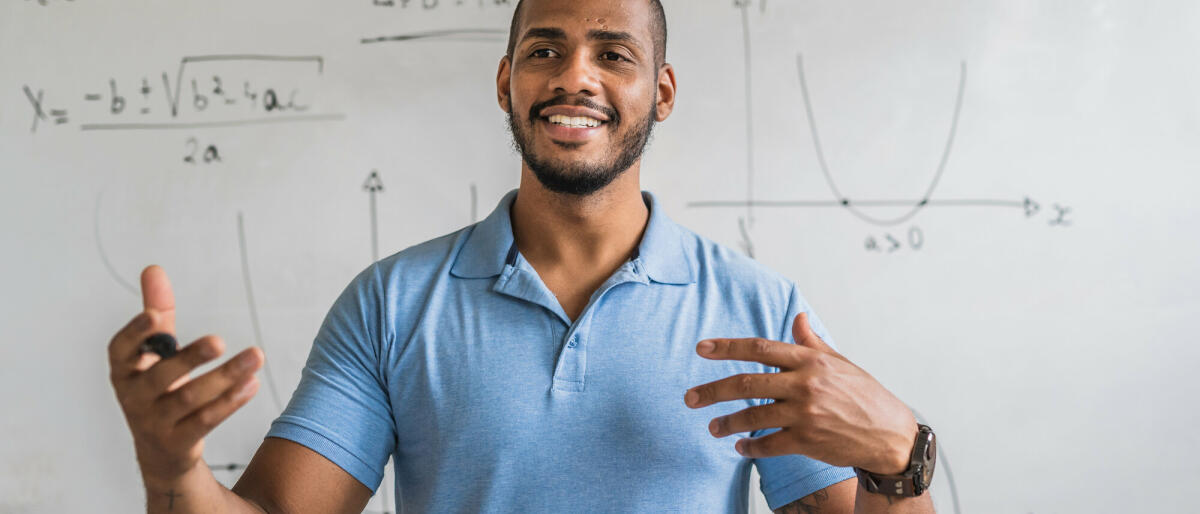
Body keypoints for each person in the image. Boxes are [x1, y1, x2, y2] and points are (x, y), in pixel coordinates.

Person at [108, 0, 937, 512]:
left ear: (664, 91)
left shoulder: (758, 308)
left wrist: (900, 455)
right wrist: (169, 469)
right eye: (545, 50)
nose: (574, 75)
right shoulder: (393, 304)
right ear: (507, 80)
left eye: (614, 54)